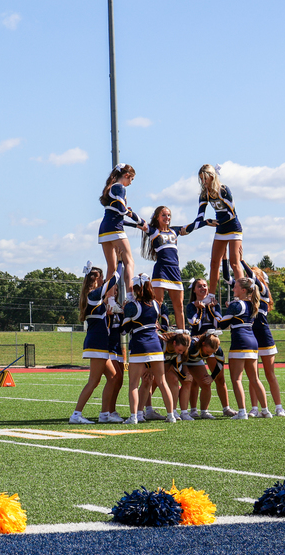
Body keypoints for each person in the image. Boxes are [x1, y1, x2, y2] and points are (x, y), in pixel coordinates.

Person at [70, 261, 123, 424]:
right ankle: (76, 415)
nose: (104, 281)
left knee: (114, 377)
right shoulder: (93, 295)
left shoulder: (94, 297)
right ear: (97, 279)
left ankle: (104, 414)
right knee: (94, 381)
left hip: (100, 343)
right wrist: (120, 264)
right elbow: (113, 281)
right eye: (102, 278)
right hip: (97, 343)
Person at [122, 275, 177, 424]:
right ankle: (171, 415)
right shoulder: (155, 304)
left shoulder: (131, 306)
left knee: (133, 383)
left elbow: (124, 330)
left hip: (139, 346)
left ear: (137, 289)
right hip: (155, 346)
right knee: (162, 382)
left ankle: (134, 417)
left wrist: (123, 312)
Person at [183, 164, 243, 301]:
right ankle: (211, 296)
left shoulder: (223, 190)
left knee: (235, 262)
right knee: (214, 262)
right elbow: (200, 217)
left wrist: (215, 222)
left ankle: (241, 295)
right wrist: (190, 229)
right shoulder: (205, 194)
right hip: (220, 228)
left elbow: (231, 213)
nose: (203, 182)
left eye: (205, 179)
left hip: (233, 226)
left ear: (211, 177)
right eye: (201, 179)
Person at [141, 206, 200, 331]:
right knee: (157, 304)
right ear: (157, 217)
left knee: (179, 306)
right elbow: (141, 223)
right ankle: (154, 331)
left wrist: (206, 222)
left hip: (175, 271)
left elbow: (192, 226)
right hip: (161, 270)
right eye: (164, 215)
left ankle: (182, 334)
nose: (167, 218)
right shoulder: (154, 232)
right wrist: (128, 214)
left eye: (169, 215)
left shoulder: (174, 231)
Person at [219, 276, 266, 420]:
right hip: (253, 342)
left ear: (243, 290)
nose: (233, 289)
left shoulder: (236, 305)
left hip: (240, 342)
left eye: (236, 287)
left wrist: (214, 311)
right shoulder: (253, 303)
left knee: (236, 379)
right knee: (255, 379)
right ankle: (265, 410)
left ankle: (242, 412)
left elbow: (221, 325)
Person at [242, 262, 284, 417]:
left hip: (264, 337)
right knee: (254, 376)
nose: (248, 278)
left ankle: (279, 407)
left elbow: (253, 278)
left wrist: (241, 261)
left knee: (269, 374)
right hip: (250, 337)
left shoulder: (264, 291)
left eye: (250, 276)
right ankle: (254, 408)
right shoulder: (247, 297)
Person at [185, 278, 232, 416]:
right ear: (194, 290)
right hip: (197, 344)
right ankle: (193, 410)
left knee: (219, 378)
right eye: (199, 286)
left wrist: (211, 309)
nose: (203, 288)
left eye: (205, 286)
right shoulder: (191, 306)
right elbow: (194, 323)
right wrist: (200, 309)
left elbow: (219, 324)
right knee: (194, 381)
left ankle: (226, 408)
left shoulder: (214, 305)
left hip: (211, 343)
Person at [98, 164, 147, 294]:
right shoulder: (120, 187)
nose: (131, 183)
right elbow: (122, 210)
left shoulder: (109, 188)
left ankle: (110, 301)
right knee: (129, 262)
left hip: (104, 230)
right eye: (131, 179)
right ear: (126, 176)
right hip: (115, 230)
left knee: (111, 268)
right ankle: (130, 296)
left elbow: (116, 215)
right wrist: (140, 220)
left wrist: (135, 225)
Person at [178, 330, 222, 420]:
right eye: (208, 352)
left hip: (195, 361)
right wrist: (184, 375)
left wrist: (212, 377)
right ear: (203, 344)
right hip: (183, 361)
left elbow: (220, 363)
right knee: (188, 382)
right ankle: (187, 412)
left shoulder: (216, 348)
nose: (209, 355)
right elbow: (179, 358)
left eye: (212, 353)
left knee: (206, 383)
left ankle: (204, 411)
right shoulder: (192, 346)